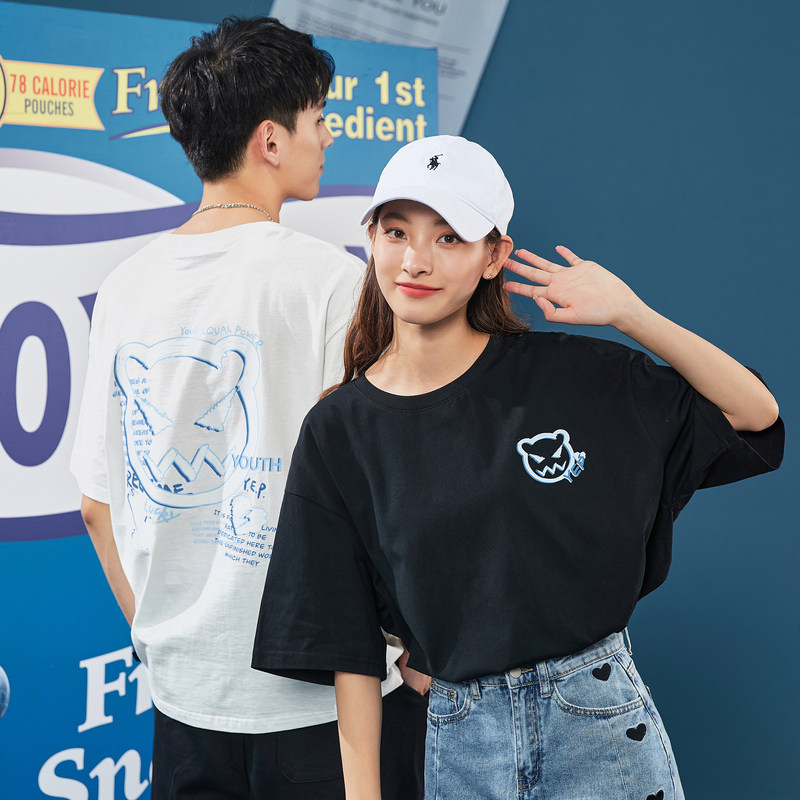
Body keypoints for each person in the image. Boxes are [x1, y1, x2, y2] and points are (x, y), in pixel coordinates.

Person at [251, 134, 784, 799]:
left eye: (449, 238)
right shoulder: (340, 430)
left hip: (599, 729)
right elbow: (346, 643)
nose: (415, 260)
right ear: (371, 238)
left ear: (494, 256)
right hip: (460, 742)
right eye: (396, 232)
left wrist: (630, 314)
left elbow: (752, 414)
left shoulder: (571, 377)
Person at [70, 17, 426, 800]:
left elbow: (97, 506)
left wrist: (164, 645)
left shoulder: (125, 286)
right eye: (318, 119)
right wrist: (411, 640)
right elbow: (384, 498)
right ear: (270, 140)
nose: (327, 137)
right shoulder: (334, 283)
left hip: (183, 701)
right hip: (330, 703)